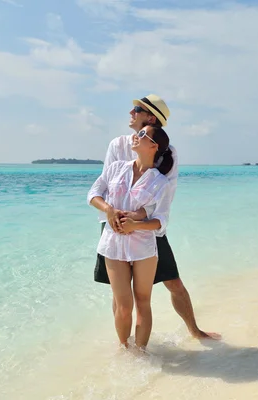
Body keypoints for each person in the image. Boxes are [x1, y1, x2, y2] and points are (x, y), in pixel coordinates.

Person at [94, 94, 221, 340]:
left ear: (150, 117)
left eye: (137, 109)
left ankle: (195, 331)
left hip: (148, 228)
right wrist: (114, 215)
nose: (131, 113)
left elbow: (165, 193)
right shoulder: (117, 145)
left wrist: (136, 219)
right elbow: (105, 186)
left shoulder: (167, 152)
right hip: (113, 226)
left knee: (173, 281)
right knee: (120, 296)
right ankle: (125, 345)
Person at [87, 124, 174, 349]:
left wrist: (136, 224)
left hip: (143, 248)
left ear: (153, 146)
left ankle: (142, 354)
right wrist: (108, 209)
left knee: (143, 302)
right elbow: (93, 193)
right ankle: (125, 351)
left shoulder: (160, 182)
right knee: (123, 306)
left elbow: (161, 221)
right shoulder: (116, 168)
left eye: (143, 134)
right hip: (113, 245)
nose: (137, 136)